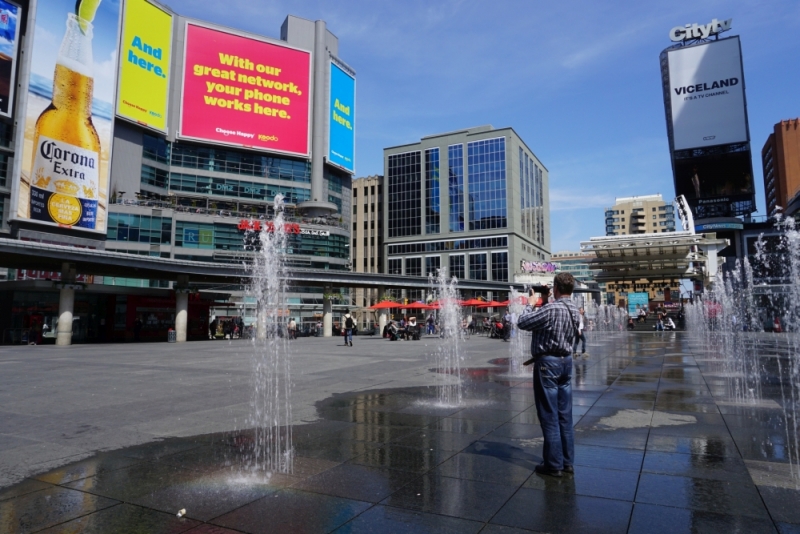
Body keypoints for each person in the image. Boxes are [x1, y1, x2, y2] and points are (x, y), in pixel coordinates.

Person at [518, 272, 581, 477]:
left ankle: (553, 465)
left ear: (555, 287)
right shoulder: (573, 308)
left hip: (548, 365)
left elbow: (523, 322)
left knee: (549, 415)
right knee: (565, 415)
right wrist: (545, 301)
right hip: (566, 363)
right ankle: (567, 461)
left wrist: (531, 302)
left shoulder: (551, 309)